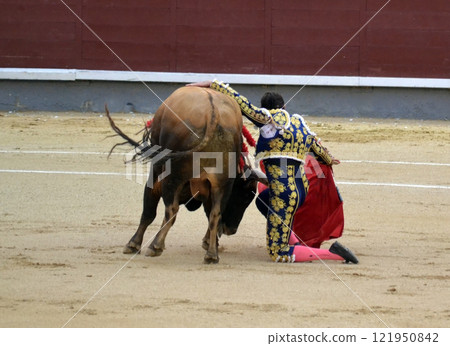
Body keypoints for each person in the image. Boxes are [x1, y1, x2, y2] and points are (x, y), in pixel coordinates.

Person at [187, 80, 358, 264]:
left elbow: (240, 102)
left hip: (283, 195)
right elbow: (322, 153)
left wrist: (213, 84)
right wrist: (330, 160)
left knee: (278, 253)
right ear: (284, 106)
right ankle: (293, 240)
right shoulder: (300, 124)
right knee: (262, 200)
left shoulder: (267, 121)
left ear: (264, 108)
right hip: (301, 190)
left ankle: (335, 254)